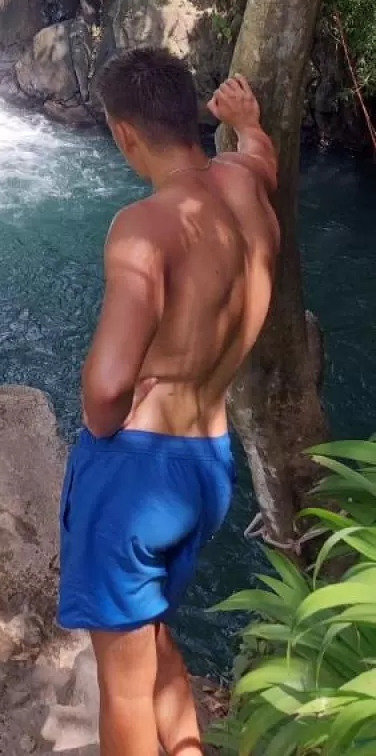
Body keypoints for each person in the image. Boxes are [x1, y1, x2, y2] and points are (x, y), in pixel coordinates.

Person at [58, 48, 279, 756]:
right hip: (207, 465)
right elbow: (260, 158)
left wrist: (101, 429)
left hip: (138, 474)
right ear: (192, 116)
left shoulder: (145, 227)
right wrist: (247, 127)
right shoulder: (245, 190)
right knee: (149, 636)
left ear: (125, 135)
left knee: (120, 688)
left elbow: (106, 385)